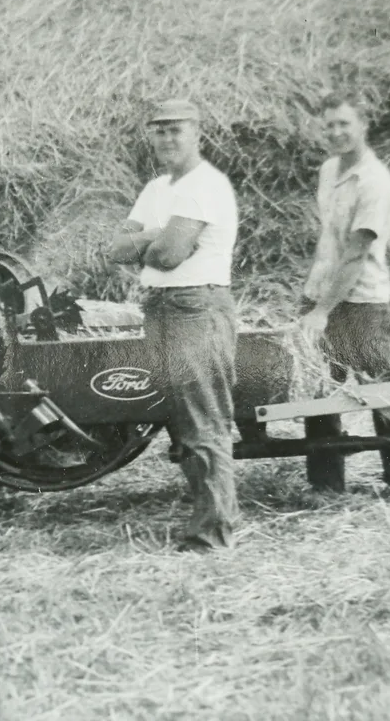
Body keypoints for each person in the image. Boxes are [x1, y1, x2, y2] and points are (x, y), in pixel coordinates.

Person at [106, 99, 241, 553]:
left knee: (203, 420)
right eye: (159, 130)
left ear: (197, 132)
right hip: (160, 308)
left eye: (175, 129)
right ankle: (206, 516)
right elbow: (116, 249)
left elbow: (167, 256)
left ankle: (214, 534)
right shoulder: (157, 188)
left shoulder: (205, 185)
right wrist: (157, 235)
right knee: (181, 422)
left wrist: (150, 239)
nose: (166, 138)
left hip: (195, 307)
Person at [297, 93, 390, 490]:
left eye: (344, 124)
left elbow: (356, 253)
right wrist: (313, 297)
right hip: (322, 295)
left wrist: (322, 311)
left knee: (382, 391)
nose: (336, 132)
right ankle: (327, 487)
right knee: (317, 391)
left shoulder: (375, 182)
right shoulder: (329, 170)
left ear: (364, 125)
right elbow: (328, 241)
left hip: (363, 302)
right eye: (329, 125)